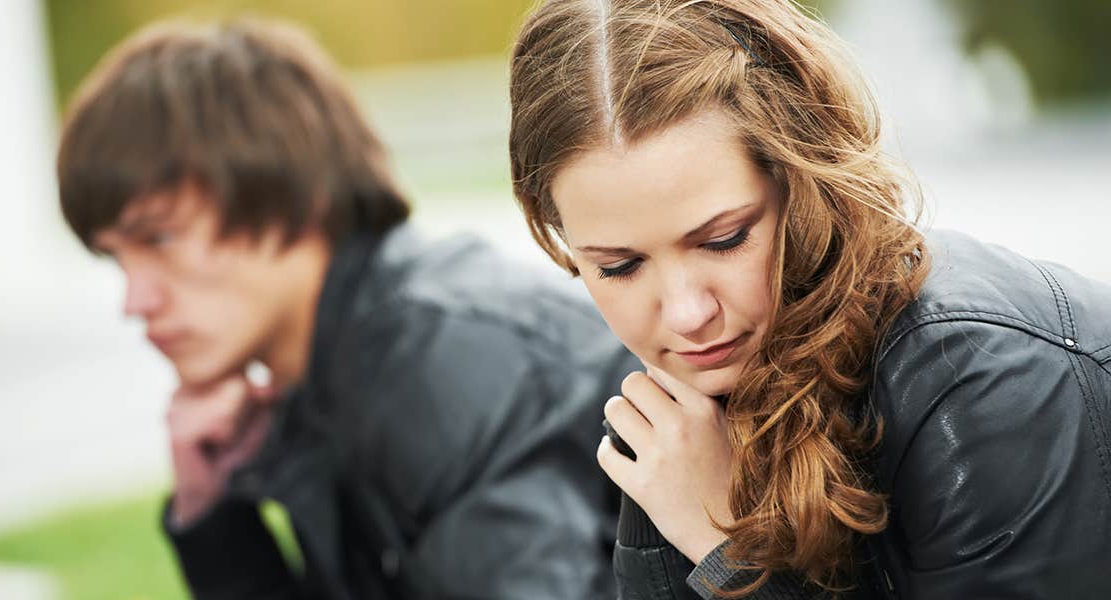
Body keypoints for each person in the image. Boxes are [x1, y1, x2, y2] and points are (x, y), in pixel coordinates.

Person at [507, 0, 1111, 598]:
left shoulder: (984, 380)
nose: (689, 314)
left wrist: (727, 553)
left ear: (804, 185)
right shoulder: (683, 423)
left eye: (724, 240)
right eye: (619, 267)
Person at [56, 18, 637, 599]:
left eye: (159, 240)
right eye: (116, 257)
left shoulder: (438, 366)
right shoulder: (329, 368)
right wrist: (214, 518)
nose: (135, 301)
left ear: (293, 195)